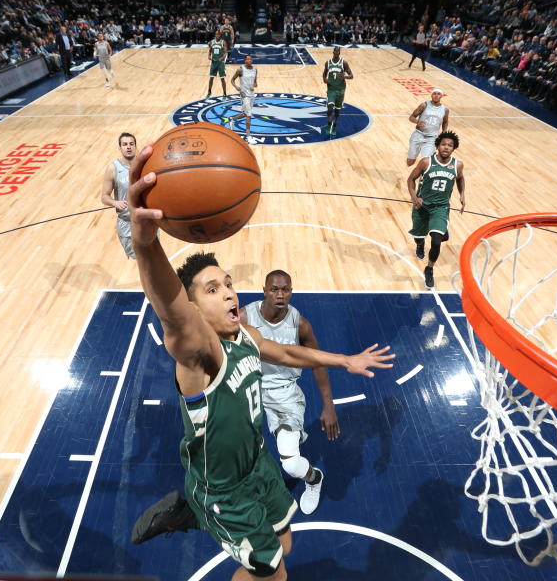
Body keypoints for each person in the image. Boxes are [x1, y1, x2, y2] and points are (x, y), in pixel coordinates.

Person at [126, 144, 394, 580]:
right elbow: (171, 310)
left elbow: (287, 352)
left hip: (257, 466)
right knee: (273, 572)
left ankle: (190, 511)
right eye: (212, 290)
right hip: (225, 490)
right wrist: (145, 242)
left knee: (285, 541)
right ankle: (198, 507)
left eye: (228, 283)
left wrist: (344, 360)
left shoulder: (245, 334)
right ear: (195, 310)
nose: (230, 292)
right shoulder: (201, 354)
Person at [240, 270, 338, 515]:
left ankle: (314, 479)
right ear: (264, 290)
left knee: (292, 465)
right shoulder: (244, 317)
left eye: (285, 290)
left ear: (292, 292)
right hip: (248, 389)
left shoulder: (300, 325)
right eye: (274, 289)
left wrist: (328, 405)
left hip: (284, 394)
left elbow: (317, 362)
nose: (280, 295)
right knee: (239, 454)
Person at [408, 131, 466, 289]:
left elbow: (460, 178)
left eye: (450, 145)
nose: (446, 147)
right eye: (444, 144)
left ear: (453, 149)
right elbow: (411, 179)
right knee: (419, 236)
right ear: (438, 146)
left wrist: (462, 194)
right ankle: (420, 244)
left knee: (435, 241)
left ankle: (429, 268)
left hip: (440, 208)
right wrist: (414, 196)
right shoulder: (426, 162)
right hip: (422, 206)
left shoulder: (457, 165)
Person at [100, 132, 137, 259]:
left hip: (146, 222)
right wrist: (115, 203)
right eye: (125, 144)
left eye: (131, 144)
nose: (128, 147)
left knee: (153, 259)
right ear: (120, 148)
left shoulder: (144, 164)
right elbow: (104, 196)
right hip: (127, 223)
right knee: (136, 261)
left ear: (135, 147)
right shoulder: (113, 168)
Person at [406, 89, 450, 166]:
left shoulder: (445, 110)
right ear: (431, 95)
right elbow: (411, 117)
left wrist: (444, 133)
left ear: (441, 96)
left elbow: (445, 122)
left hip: (431, 138)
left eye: (438, 94)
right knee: (410, 162)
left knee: (427, 162)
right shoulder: (424, 105)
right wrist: (418, 122)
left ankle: (422, 176)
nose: (436, 95)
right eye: (434, 93)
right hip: (418, 135)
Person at [227, 55, 258, 143]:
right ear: (244, 60)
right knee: (249, 115)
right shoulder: (240, 70)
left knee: (245, 113)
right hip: (244, 95)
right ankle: (248, 137)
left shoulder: (255, 69)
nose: (249, 60)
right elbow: (232, 80)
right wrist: (236, 87)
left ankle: (232, 119)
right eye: (247, 59)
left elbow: (255, 82)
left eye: (250, 59)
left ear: (252, 60)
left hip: (252, 94)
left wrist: (254, 85)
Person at [323, 46, 353, 136]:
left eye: (338, 51)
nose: (336, 52)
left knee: (337, 111)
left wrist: (344, 76)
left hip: (340, 90)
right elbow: (324, 74)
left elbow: (351, 76)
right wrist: (325, 79)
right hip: (331, 89)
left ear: (339, 53)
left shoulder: (344, 63)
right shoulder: (328, 63)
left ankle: (334, 126)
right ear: (333, 52)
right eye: (335, 51)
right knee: (330, 108)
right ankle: (328, 125)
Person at [207, 29, 228, 98]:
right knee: (211, 78)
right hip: (214, 62)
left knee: (222, 78)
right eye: (216, 34)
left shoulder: (223, 42)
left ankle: (224, 93)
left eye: (218, 34)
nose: (217, 35)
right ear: (215, 35)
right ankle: (209, 92)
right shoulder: (212, 42)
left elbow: (225, 52)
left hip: (220, 63)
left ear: (220, 35)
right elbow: (209, 52)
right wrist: (209, 56)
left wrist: (223, 57)